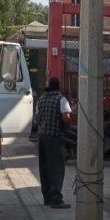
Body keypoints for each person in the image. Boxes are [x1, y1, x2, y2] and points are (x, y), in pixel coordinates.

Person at [35, 76, 71, 208]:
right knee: (56, 167)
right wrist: (65, 124)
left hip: (42, 137)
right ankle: (56, 198)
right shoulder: (61, 99)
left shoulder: (41, 99)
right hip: (55, 138)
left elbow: (37, 119)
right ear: (58, 86)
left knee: (44, 167)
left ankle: (47, 197)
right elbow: (66, 116)